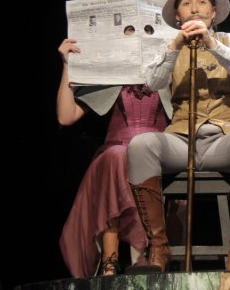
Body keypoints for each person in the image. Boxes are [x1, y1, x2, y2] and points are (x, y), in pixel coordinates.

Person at [126, 0, 230, 273]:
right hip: (181, 140)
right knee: (140, 145)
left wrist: (211, 42)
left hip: (222, 139)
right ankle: (158, 247)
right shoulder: (166, 45)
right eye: (187, 4)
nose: (194, 9)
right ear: (177, 16)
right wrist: (175, 46)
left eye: (202, 2)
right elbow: (152, 82)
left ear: (213, 12)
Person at [56, 38, 172, 278]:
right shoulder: (111, 76)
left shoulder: (167, 73)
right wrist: (67, 65)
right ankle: (110, 261)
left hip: (157, 151)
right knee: (118, 156)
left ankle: (143, 257)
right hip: (116, 152)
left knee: (139, 154)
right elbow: (65, 117)